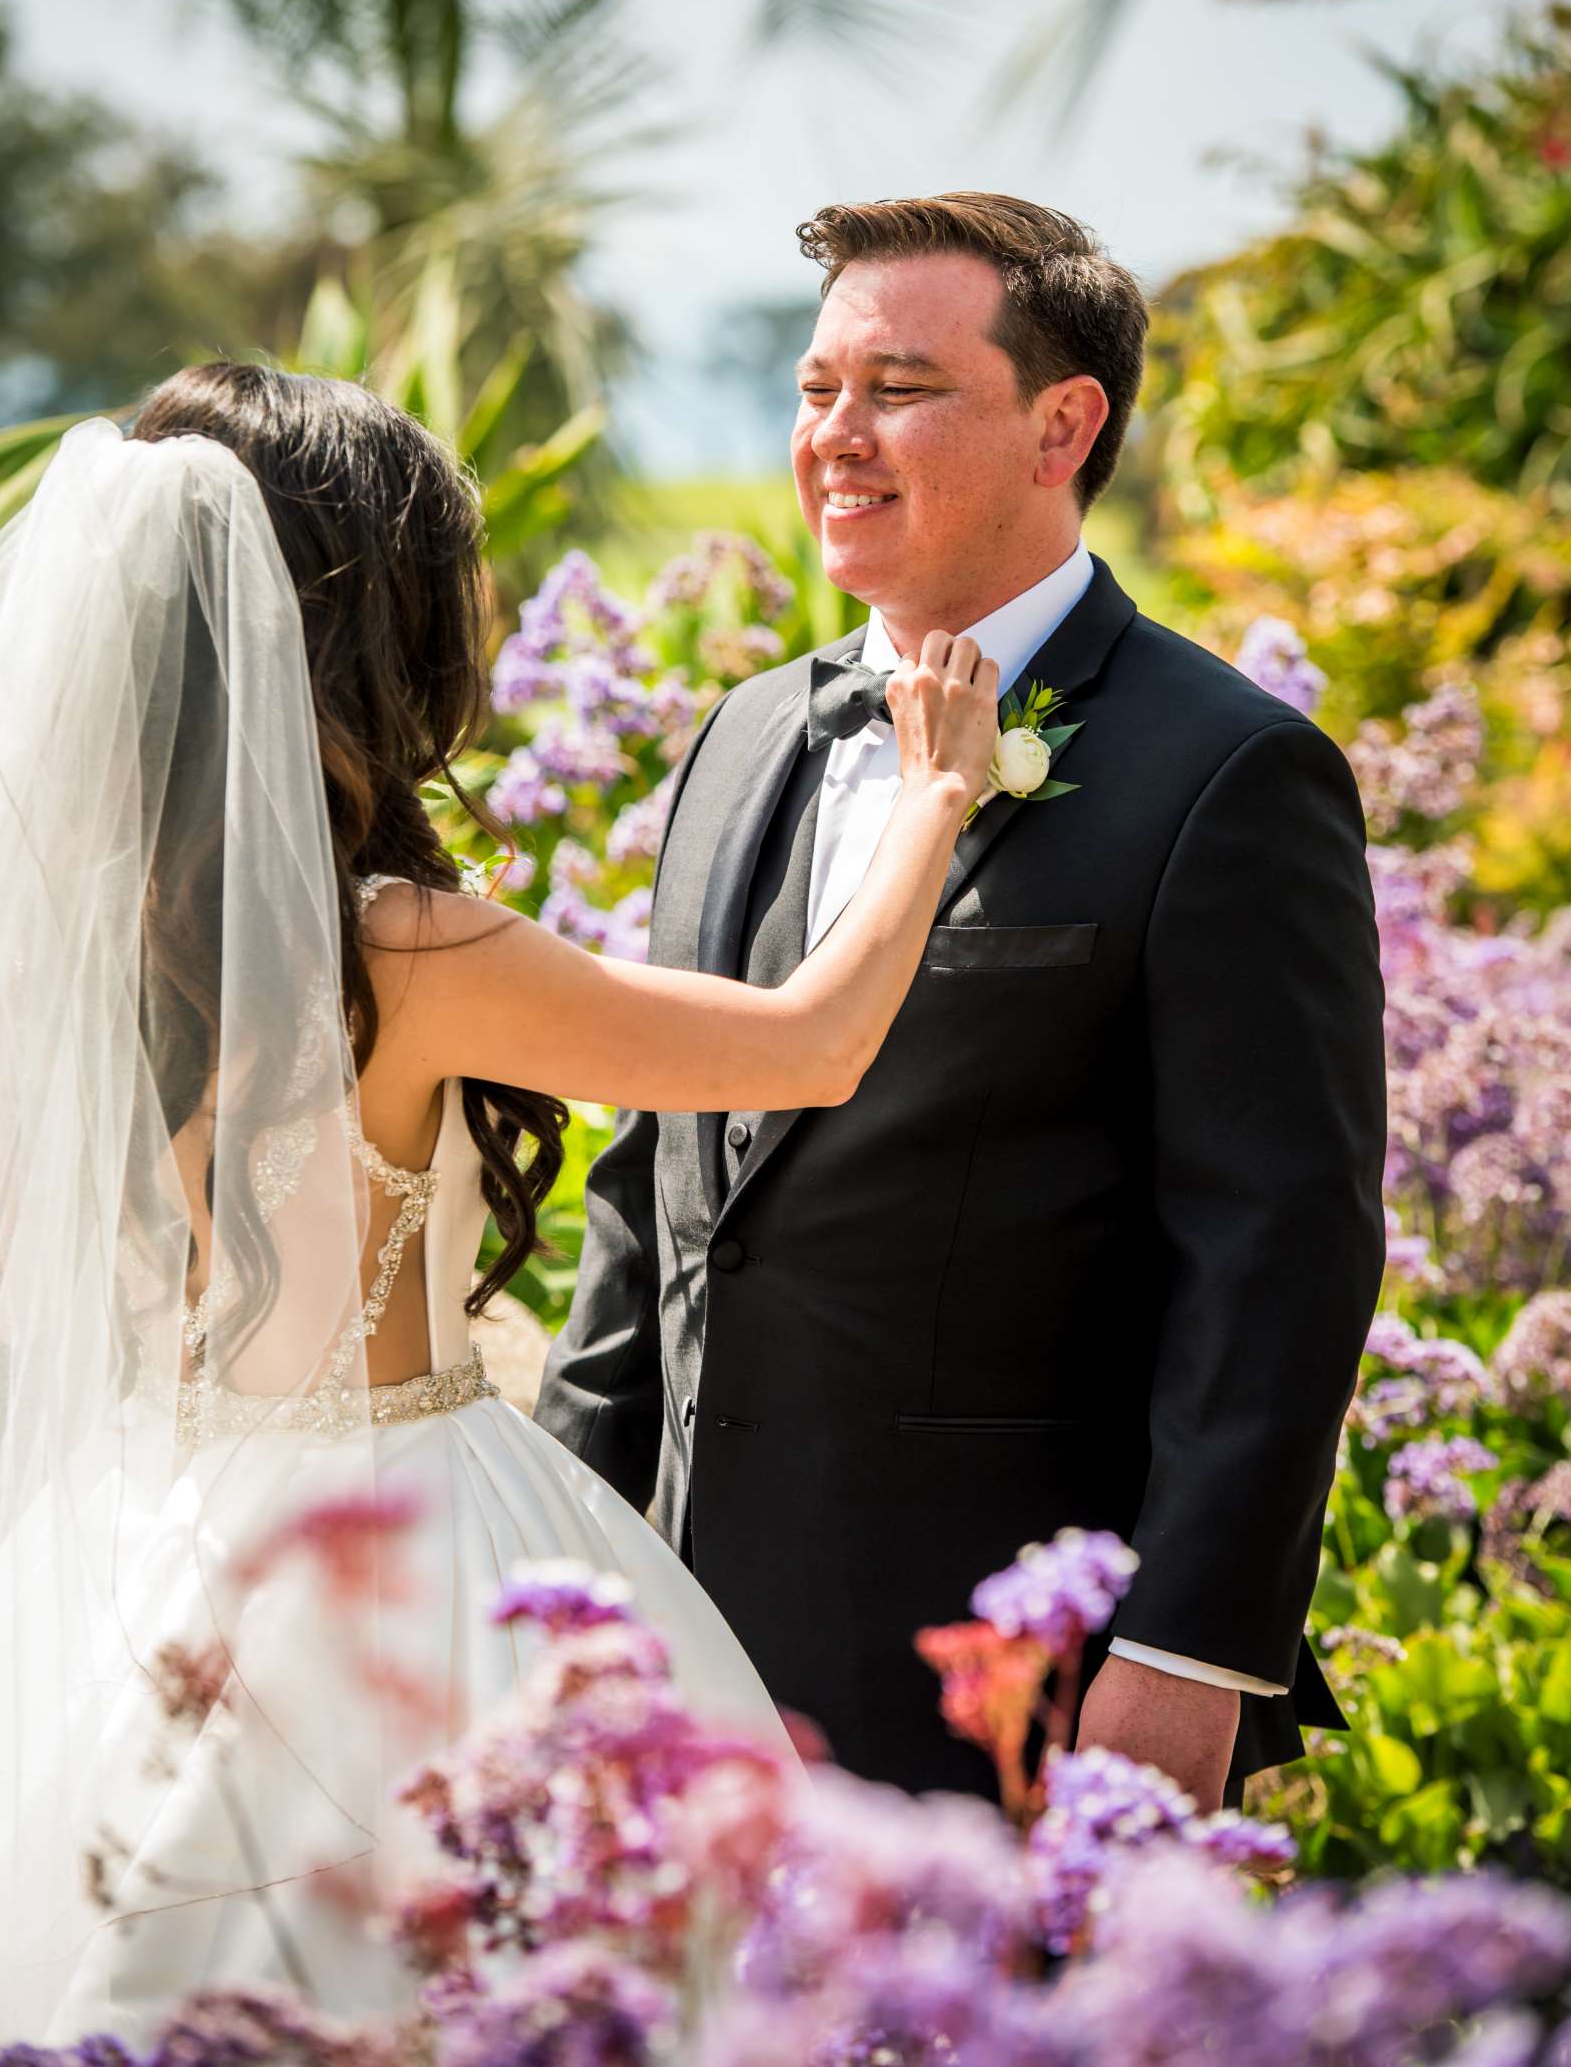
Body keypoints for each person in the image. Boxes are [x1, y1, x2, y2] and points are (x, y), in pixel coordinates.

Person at [0, 365, 998, 2051]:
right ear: (355, 630)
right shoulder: (396, 947)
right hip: (410, 1536)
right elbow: (806, 1047)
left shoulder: (63, 942)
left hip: (144, 1538)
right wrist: (937, 792)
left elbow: (20, 1288)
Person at [536, 192, 1388, 1813]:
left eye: (898, 389)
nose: (833, 437)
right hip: (682, 1660)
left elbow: (1279, 1253)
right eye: (811, 391)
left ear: (1063, 424)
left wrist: (1189, 1657)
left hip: (1007, 1690)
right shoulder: (737, 738)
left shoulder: (1227, 774)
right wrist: (557, 1576)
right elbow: (653, 1202)